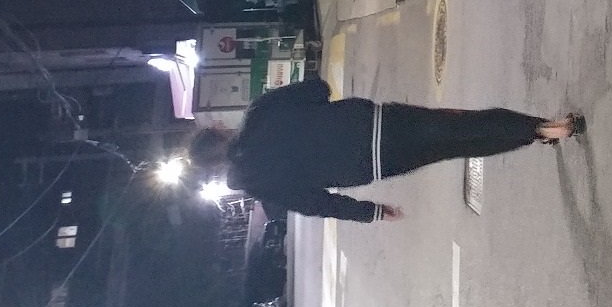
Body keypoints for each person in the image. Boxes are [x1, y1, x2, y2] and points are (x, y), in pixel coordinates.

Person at [190, 77, 582, 222]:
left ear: (215, 167)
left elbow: (316, 203)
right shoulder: (260, 112)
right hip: (374, 123)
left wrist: (372, 212)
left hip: (374, 163)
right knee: (459, 123)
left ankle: (537, 133)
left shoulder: (259, 184)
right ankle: (543, 127)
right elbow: (318, 88)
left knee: (456, 146)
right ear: (218, 131)